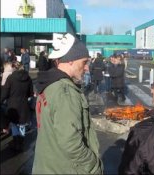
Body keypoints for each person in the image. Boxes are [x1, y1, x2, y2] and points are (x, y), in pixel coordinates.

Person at [32, 33, 103, 174]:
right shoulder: (65, 91)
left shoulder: (50, 84)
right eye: (84, 62)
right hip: (63, 169)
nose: (87, 68)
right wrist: (93, 166)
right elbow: (71, 142)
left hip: (48, 166)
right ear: (71, 60)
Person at [0, 61, 34, 151]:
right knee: (22, 125)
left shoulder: (11, 78)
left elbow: (5, 93)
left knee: (14, 124)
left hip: (13, 105)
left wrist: (1, 100)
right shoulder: (28, 78)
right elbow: (31, 93)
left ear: (14, 68)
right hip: (24, 105)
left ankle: (16, 141)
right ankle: (21, 141)